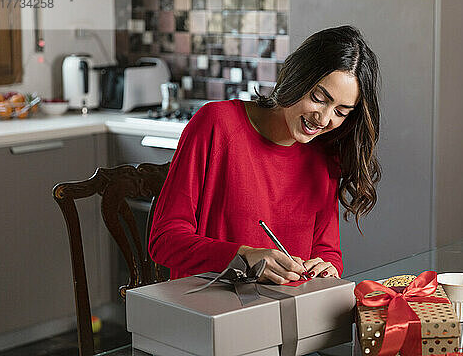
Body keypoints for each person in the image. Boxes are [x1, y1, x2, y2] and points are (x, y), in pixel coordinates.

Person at [149, 25, 380, 284]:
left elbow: (327, 251)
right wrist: (242, 256)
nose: (324, 119)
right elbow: (164, 241)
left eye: (341, 112)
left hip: (287, 312)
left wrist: (325, 268)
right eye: (319, 98)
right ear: (297, 76)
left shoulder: (325, 154)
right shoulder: (216, 124)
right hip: (210, 311)